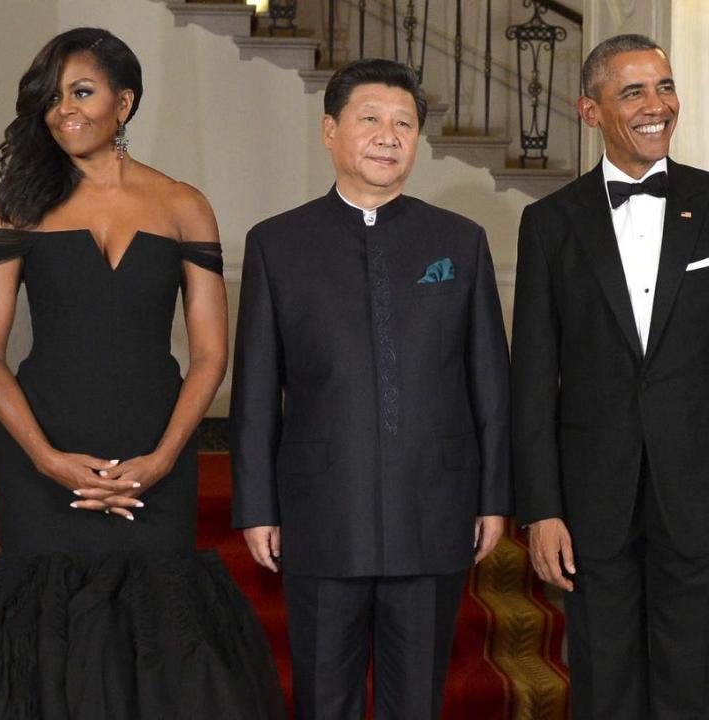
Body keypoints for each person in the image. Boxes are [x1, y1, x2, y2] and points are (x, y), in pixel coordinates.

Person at [0, 28, 284, 719]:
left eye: (81, 92)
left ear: (125, 103)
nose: (64, 111)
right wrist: (50, 460)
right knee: (45, 630)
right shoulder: (17, 203)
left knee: (153, 626)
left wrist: (164, 458)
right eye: (52, 98)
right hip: (43, 442)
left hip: (156, 444)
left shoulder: (184, 205)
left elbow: (210, 355)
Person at [230, 58, 511, 720]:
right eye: (371, 120)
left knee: (416, 702)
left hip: (433, 507)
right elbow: (255, 392)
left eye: (405, 124)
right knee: (324, 701)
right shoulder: (278, 244)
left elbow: (490, 384)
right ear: (330, 131)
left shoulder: (459, 243)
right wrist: (257, 504)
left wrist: (494, 496)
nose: (389, 136)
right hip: (323, 511)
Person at [512, 34, 709, 719]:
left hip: (698, 491)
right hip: (594, 500)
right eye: (633, 92)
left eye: (664, 87)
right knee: (604, 682)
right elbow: (532, 379)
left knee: (695, 679)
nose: (658, 106)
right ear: (590, 112)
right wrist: (541, 508)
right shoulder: (549, 224)